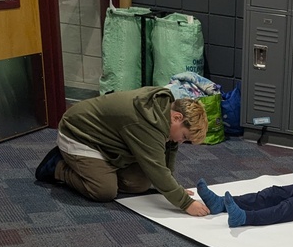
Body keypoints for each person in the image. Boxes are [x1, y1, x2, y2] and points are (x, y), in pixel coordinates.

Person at [34, 86, 210, 216]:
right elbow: (156, 167)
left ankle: (98, 169)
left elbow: (169, 150)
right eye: (185, 136)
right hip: (80, 134)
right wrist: (185, 203)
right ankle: (57, 166)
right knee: (104, 191)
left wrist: (173, 186)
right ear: (177, 117)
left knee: (140, 184)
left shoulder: (164, 112)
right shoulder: (147, 123)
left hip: (110, 142)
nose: (181, 141)